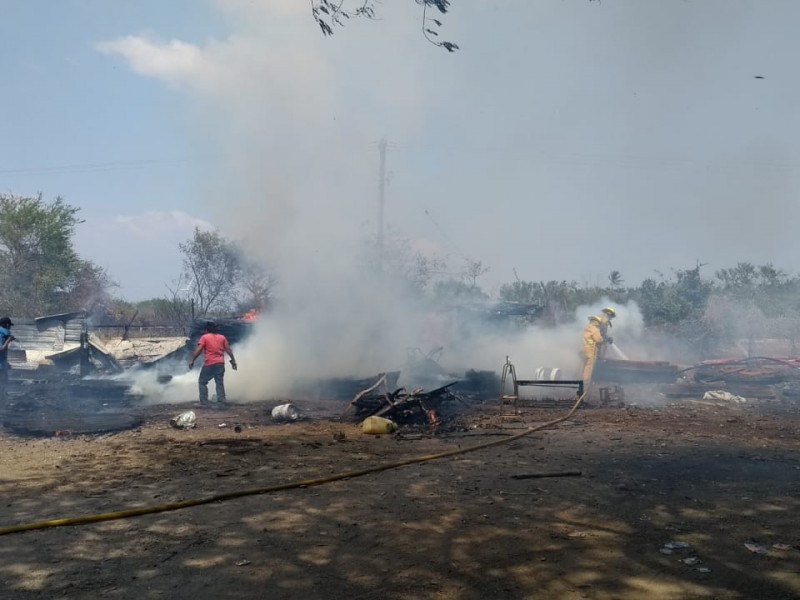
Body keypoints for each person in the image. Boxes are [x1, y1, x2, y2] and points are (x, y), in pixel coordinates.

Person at [189, 321, 237, 407]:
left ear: (207, 330)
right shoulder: (222, 337)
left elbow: (199, 349)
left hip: (210, 364)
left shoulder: (205, 337)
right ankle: (221, 400)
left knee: (202, 381)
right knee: (219, 382)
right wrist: (233, 360)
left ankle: (204, 401)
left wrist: (192, 360)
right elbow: (228, 349)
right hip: (220, 363)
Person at [580, 315, 606, 384]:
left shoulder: (587, 327)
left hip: (584, 349)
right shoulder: (595, 329)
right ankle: (586, 381)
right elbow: (598, 340)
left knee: (583, 364)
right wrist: (603, 339)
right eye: (599, 323)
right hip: (591, 350)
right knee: (589, 366)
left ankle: (580, 378)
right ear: (596, 322)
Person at [0, 316, 15, 404]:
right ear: (6, 325)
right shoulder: (1, 335)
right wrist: (9, 340)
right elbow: (1, 349)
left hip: (2, 366)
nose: (10, 328)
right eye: (9, 326)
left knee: (4, 386)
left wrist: (6, 363)